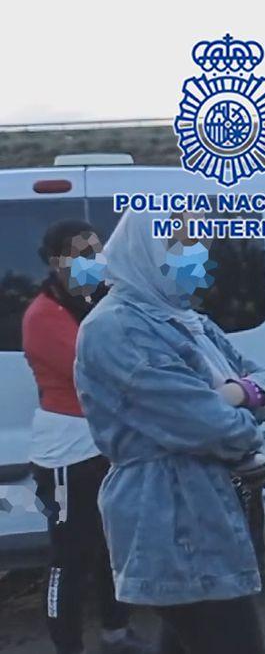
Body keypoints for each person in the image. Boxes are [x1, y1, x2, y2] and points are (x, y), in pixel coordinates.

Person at [74, 211, 265, 654]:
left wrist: (236, 392)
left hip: (212, 514)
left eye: (200, 252)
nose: (198, 265)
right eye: (184, 252)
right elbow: (215, 429)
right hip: (173, 519)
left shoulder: (187, 320)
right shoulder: (116, 328)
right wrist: (242, 405)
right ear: (147, 253)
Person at [23, 220, 153, 654]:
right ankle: (68, 648)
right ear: (56, 262)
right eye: (78, 255)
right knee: (69, 559)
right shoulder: (43, 316)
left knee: (112, 546)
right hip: (67, 453)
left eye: (95, 252)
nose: (91, 262)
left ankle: (116, 632)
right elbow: (101, 369)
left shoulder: (99, 302)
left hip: (105, 443)